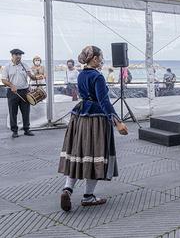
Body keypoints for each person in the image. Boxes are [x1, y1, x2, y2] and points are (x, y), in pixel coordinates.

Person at [58, 45, 128, 212]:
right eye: (100, 57)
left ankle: (67, 189)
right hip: (96, 119)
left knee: (78, 154)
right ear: (94, 58)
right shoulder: (98, 76)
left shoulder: (81, 74)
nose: (102, 60)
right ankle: (88, 196)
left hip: (80, 117)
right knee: (96, 156)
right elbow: (104, 102)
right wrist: (117, 122)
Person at [1, 49, 44, 138]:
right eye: (17, 55)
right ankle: (14, 131)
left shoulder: (25, 65)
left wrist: (37, 77)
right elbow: (4, 80)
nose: (19, 56)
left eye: (20, 55)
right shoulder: (7, 67)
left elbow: (31, 76)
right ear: (12, 55)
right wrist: (11, 85)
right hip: (12, 92)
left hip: (24, 91)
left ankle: (26, 129)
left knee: (26, 112)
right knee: (13, 112)